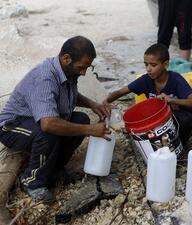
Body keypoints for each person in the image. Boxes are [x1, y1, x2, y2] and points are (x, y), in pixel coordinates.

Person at [0, 36, 111, 203]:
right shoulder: (45, 78)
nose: (84, 72)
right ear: (66, 58)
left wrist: (92, 104)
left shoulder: (67, 71)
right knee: (47, 132)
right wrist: (91, 131)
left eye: (88, 67)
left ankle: (55, 170)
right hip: (13, 125)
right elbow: (48, 124)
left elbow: (68, 94)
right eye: (81, 67)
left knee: (81, 119)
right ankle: (32, 181)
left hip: (38, 121)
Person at [103, 43, 192, 148]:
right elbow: (120, 92)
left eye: (153, 65)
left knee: (179, 120)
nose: (149, 69)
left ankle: (180, 146)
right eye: (146, 64)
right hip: (160, 122)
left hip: (183, 120)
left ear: (165, 65)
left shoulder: (176, 79)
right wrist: (105, 102)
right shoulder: (146, 80)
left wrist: (171, 100)